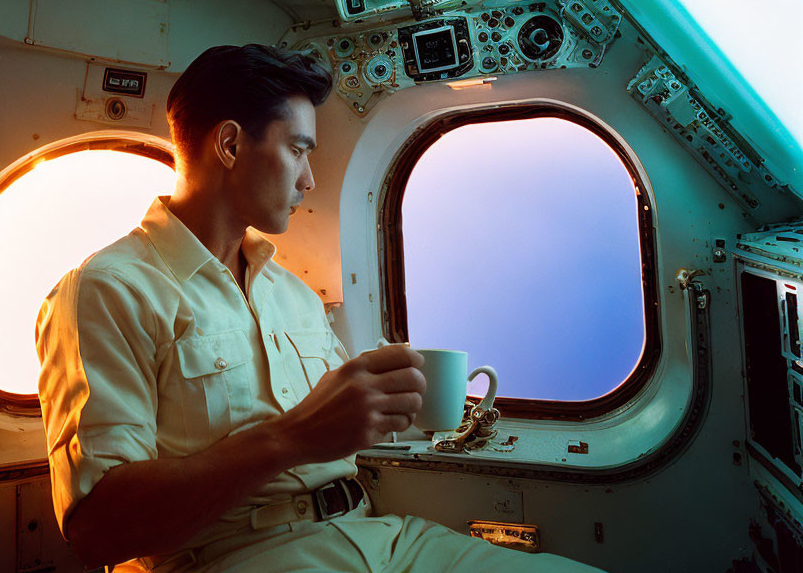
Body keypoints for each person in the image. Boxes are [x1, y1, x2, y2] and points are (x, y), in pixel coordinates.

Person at [36, 44, 605, 572]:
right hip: (236, 554)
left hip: (377, 535)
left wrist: (389, 404)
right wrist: (291, 440)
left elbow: (339, 432)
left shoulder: (294, 294)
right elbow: (99, 532)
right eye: (298, 150)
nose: (310, 179)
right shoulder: (110, 289)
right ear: (230, 145)